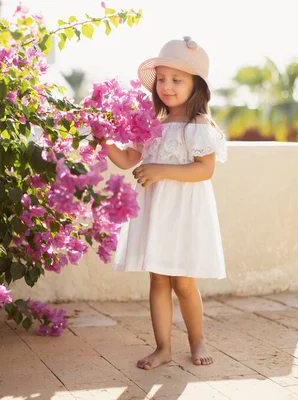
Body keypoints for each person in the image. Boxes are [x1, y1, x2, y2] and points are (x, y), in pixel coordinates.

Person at [103, 36, 227, 370]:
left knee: (184, 281)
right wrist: (102, 138)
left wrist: (160, 169)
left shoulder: (197, 125)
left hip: (184, 213)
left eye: (177, 80)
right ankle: (162, 347)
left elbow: (204, 170)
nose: (167, 86)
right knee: (158, 279)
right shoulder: (151, 124)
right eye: (161, 79)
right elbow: (128, 158)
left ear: (195, 85)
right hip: (157, 213)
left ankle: (196, 339)